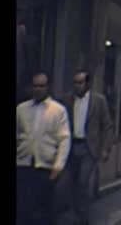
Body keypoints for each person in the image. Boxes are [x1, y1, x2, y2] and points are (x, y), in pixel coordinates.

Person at [17, 72, 71, 225]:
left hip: (45, 166)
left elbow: (64, 139)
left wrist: (58, 166)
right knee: (23, 208)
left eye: (41, 86)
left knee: (44, 209)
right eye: (35, 86)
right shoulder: (21, 109)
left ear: (48, 87)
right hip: (23, 164)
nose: (38, 89)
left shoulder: (58, 110)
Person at [62, 70, 114, 225]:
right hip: (71, 147)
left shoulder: (98, 101)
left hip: (88, 148)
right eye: (75, 83)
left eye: (80, 82)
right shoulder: (67, 100)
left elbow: (107, 125)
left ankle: (83, 218)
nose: (77, 86)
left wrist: (105, 148)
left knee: (83, 182)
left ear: (88, 84)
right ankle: (77, 213)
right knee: (71, 183)